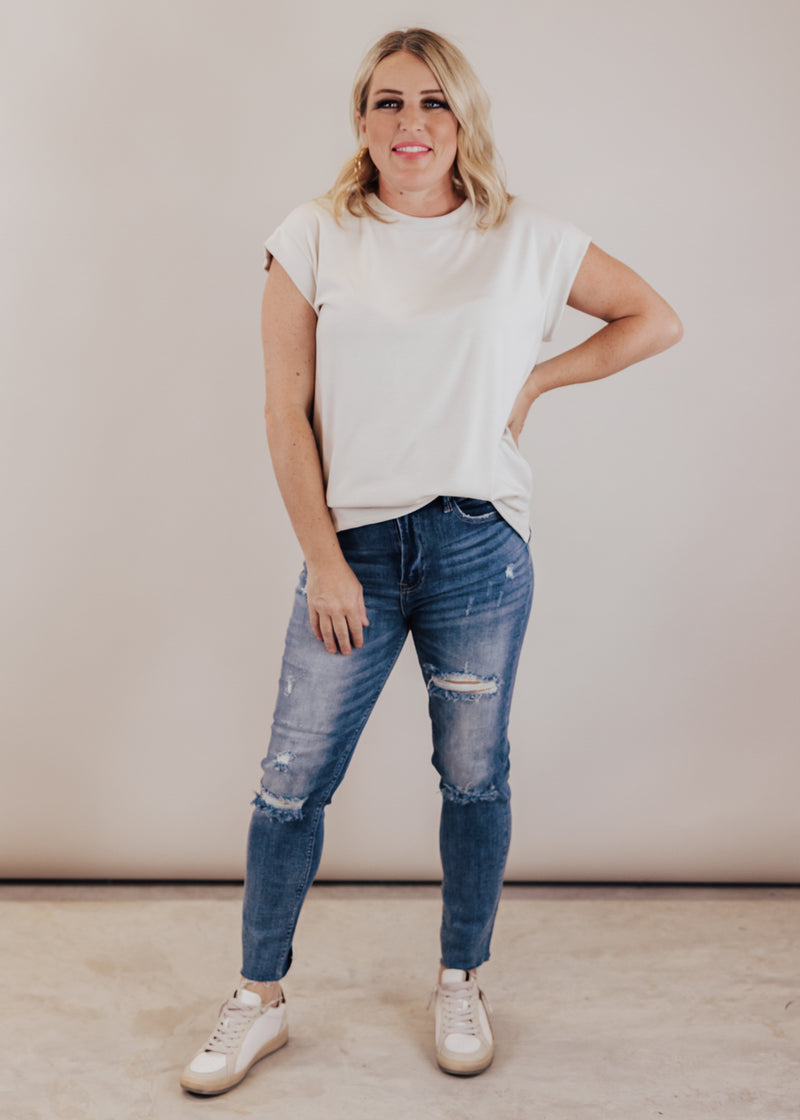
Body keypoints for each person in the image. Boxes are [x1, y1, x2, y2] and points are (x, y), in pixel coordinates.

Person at [180, 26, 682, 1095]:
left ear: (464, 118)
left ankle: (461, 977)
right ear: (362, 121)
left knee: (472, 774)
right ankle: (259, 998)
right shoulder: (314, 235)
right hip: (352, 550)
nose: (411, 123)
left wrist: (536, 380)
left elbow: (654, 319)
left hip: (475, 548)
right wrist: (322, 559)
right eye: (390, 102)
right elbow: (282, 412)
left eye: (433, 102)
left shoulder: (526, 238)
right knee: (290, 783)